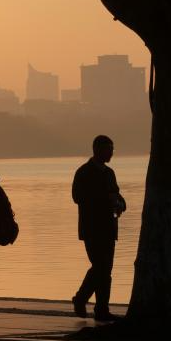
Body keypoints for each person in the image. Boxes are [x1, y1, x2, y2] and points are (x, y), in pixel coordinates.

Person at [71, 135, 126, 322]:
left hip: (109, 228)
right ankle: (82, 299)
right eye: (108, 149)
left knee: (105, 269)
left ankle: (101, 309)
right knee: (100, 266)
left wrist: (120, 204)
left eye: (112, 149)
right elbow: (77, 197)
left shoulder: (110, 173)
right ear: (97, 149)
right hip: (92, 229)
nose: (111, 153)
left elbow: (117, 194)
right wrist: (105, 199)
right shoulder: (83, 172)